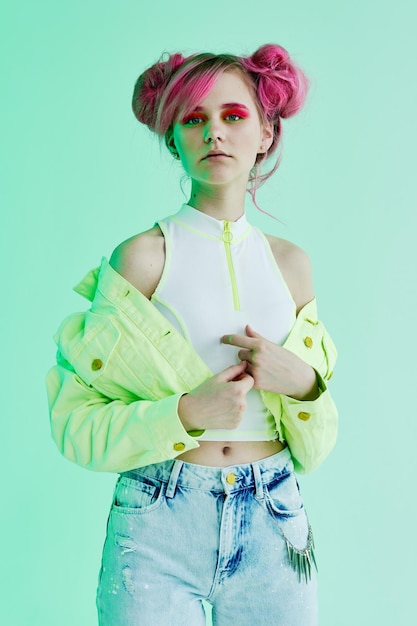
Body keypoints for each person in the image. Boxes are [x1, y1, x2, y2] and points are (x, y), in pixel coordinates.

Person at [46, 43, 338, 626]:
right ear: (173, 137)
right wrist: (182, 413)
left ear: (266, 133)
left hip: (274, 518)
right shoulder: (140, 261)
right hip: (157, 521)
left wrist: (305, 383)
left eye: (233, 116)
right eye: (194, 119)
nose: (214, 134)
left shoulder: (292, 266)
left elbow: (318, 444)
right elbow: (73, 425)